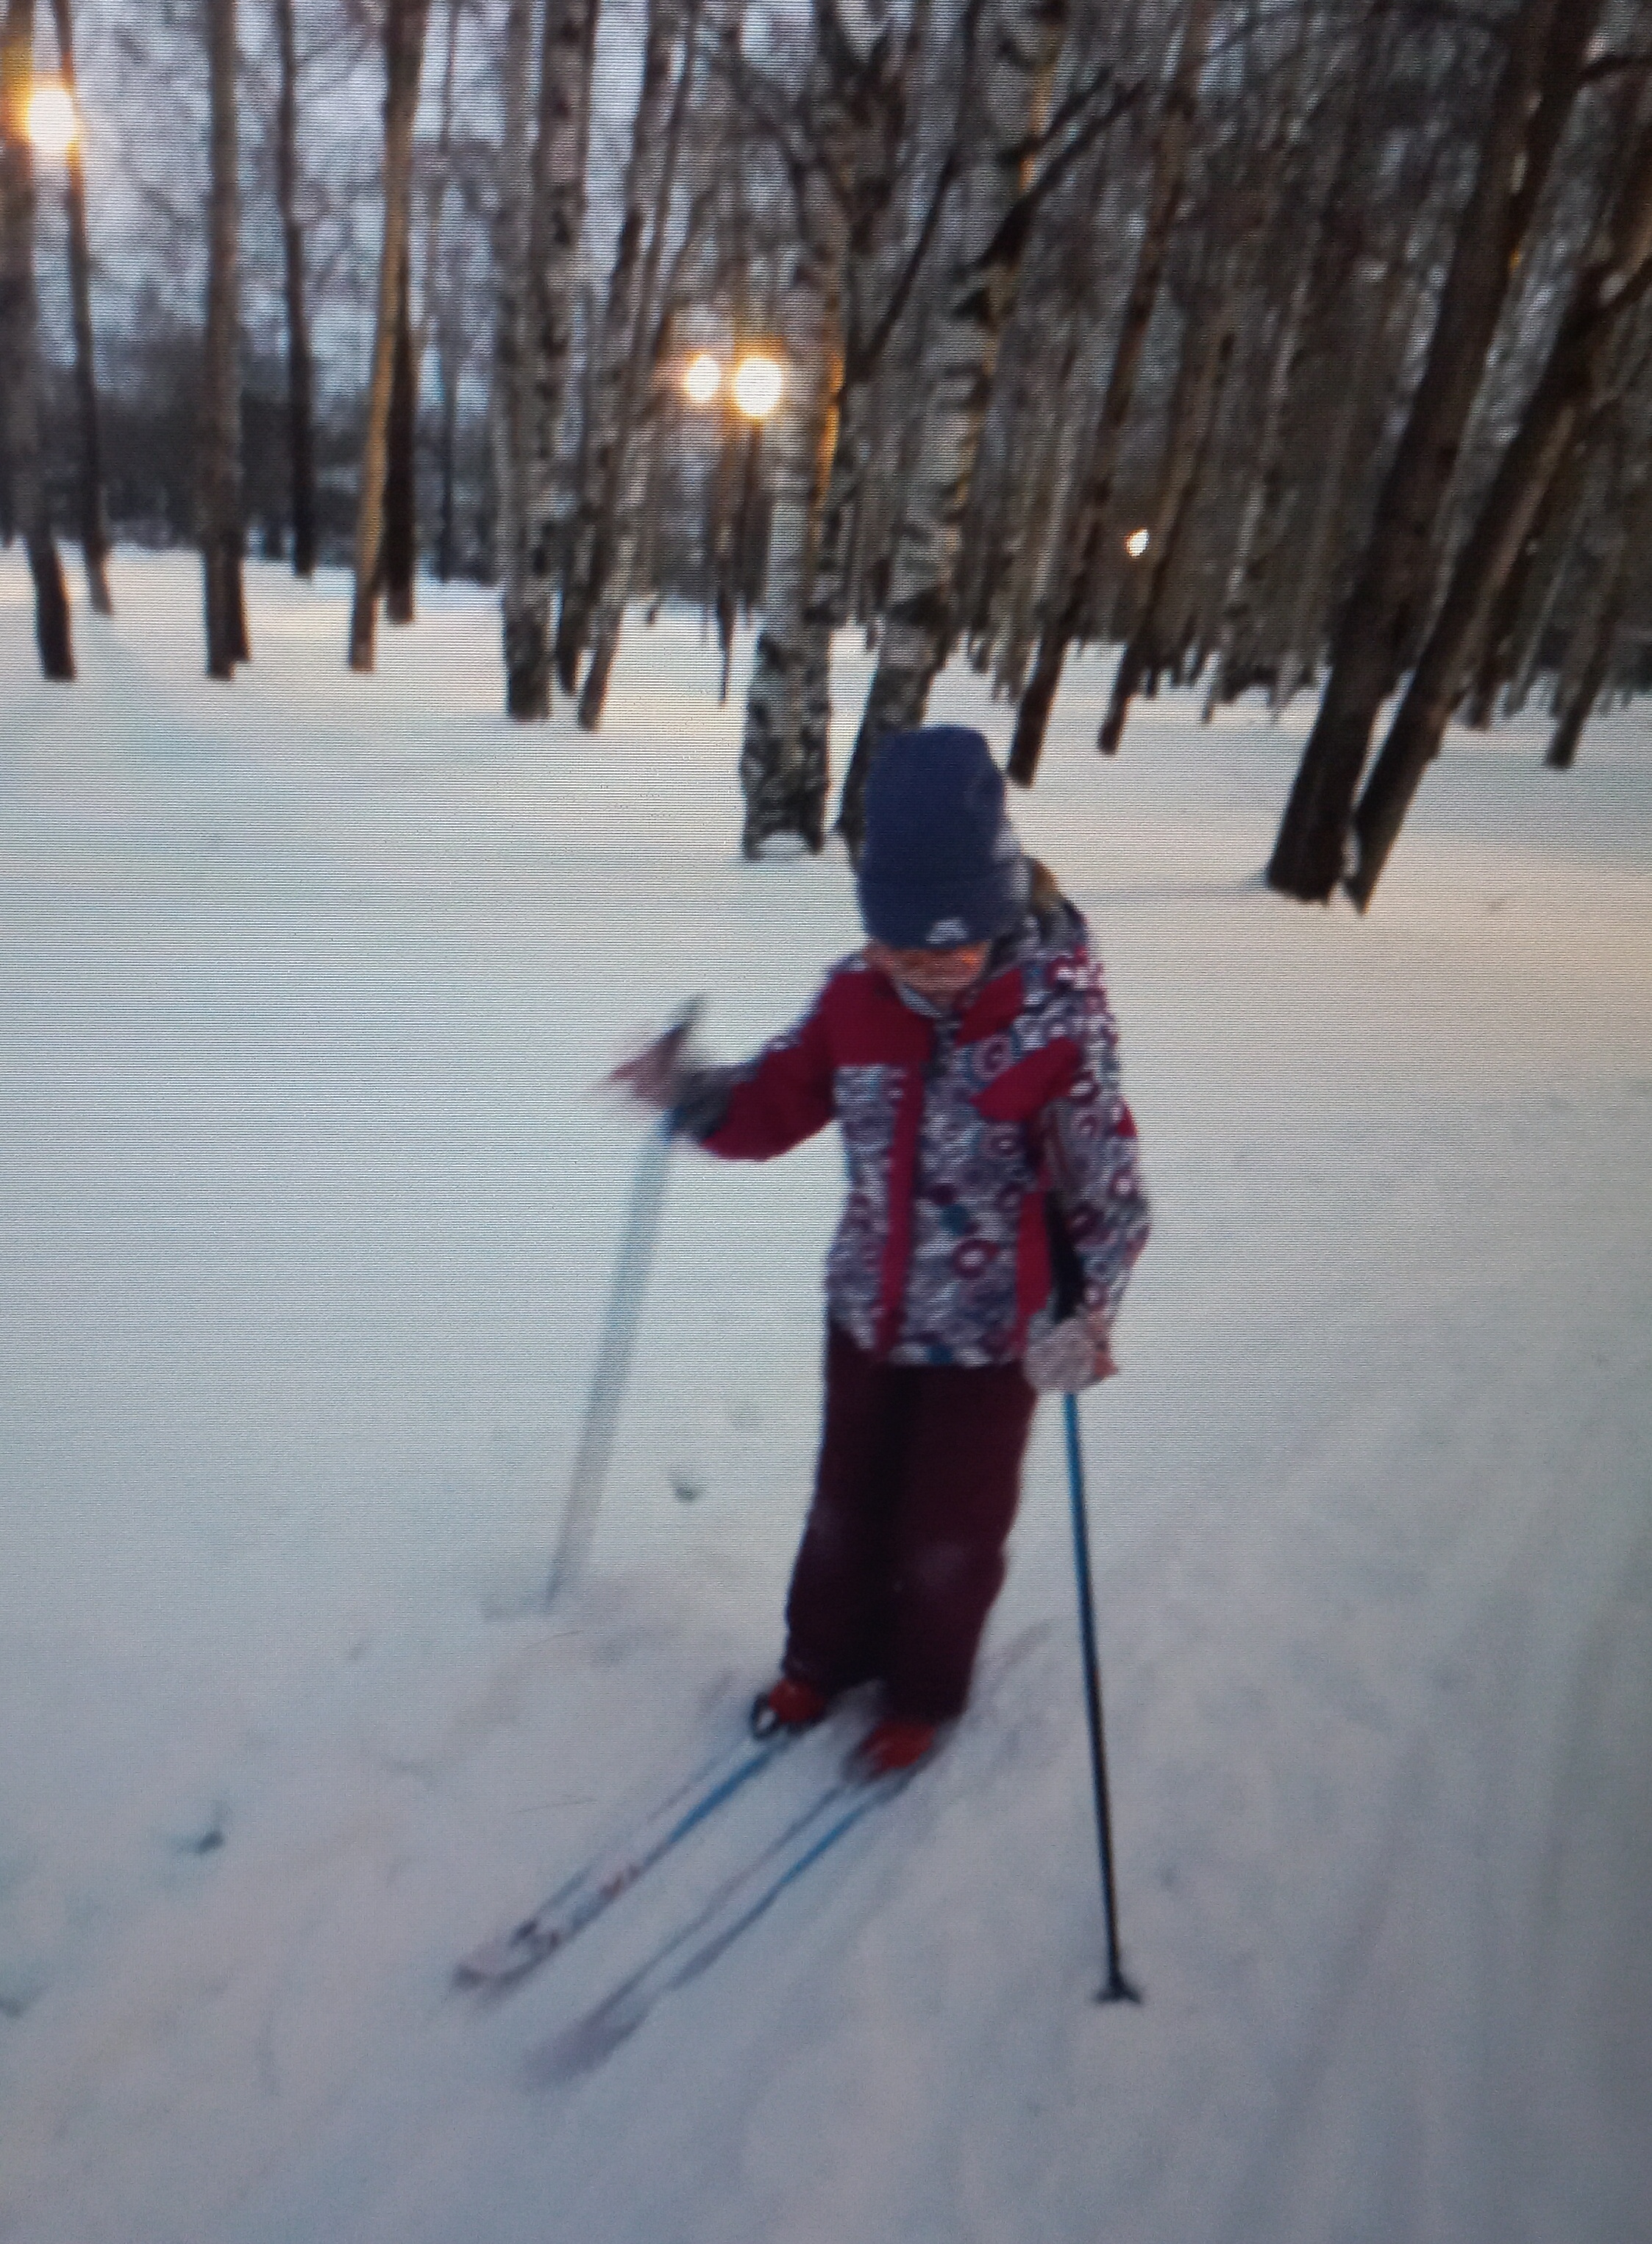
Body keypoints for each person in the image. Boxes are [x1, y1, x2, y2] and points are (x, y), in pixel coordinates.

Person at [616, 725, 1150, 1776]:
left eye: (945, 952)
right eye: (896, 948)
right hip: (866, 1311)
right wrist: (690, 1096)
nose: (922, 973)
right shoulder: (854, 1004)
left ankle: (920, 1691)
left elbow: (1108, 1196)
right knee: (845, 1502)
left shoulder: (1058, 1028)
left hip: (996, 1339)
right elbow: (775, 1098)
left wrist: (1083, 1318)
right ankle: (821, 1655)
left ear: (995, 918)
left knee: (949, 1529)